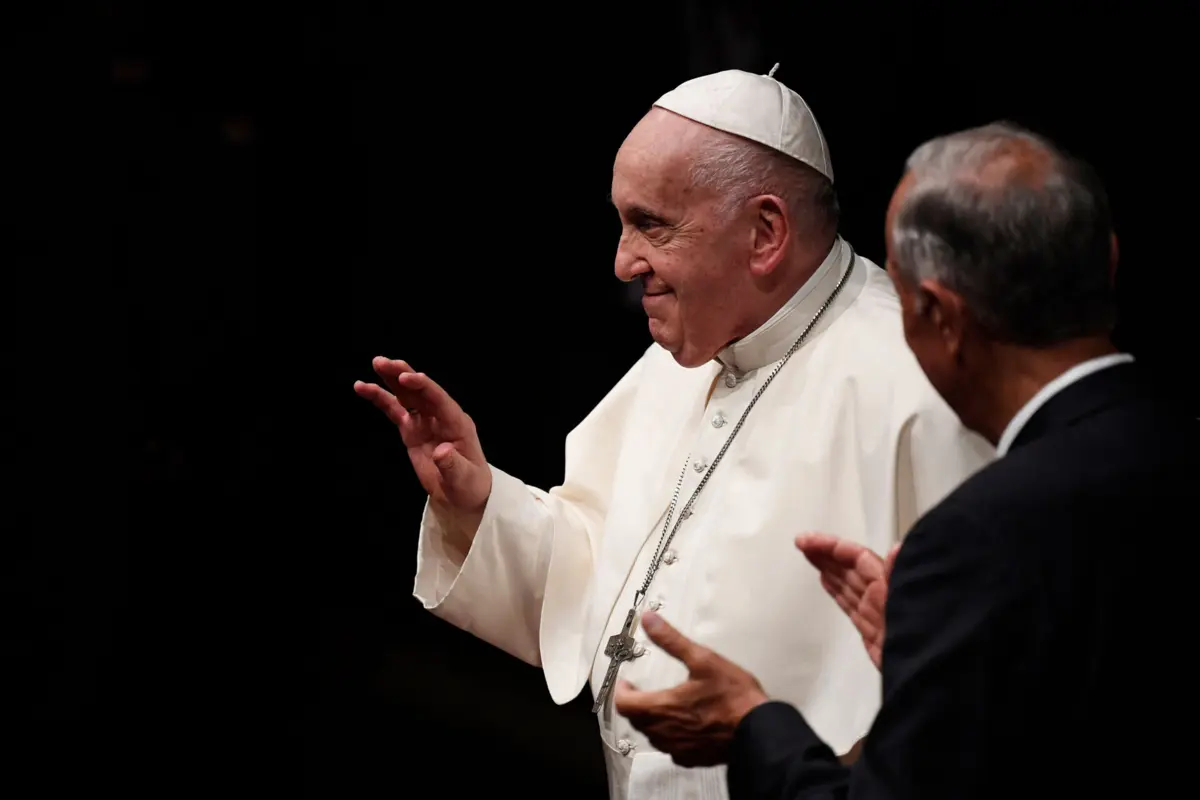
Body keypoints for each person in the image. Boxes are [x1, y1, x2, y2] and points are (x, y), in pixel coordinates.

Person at [353, 67, 992, 800]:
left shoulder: (918, 385)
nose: (623, 263)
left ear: (764, 233)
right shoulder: (687, 349)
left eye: (652, 225)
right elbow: (603, 580)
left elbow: (972, 694)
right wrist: (478, 501)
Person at [612, 122, 1200, 799]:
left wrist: (752, 725)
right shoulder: (1178, 442)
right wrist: (935, 657)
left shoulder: (974, 539)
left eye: (900, 297)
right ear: (1111, 260)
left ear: (941, 317)